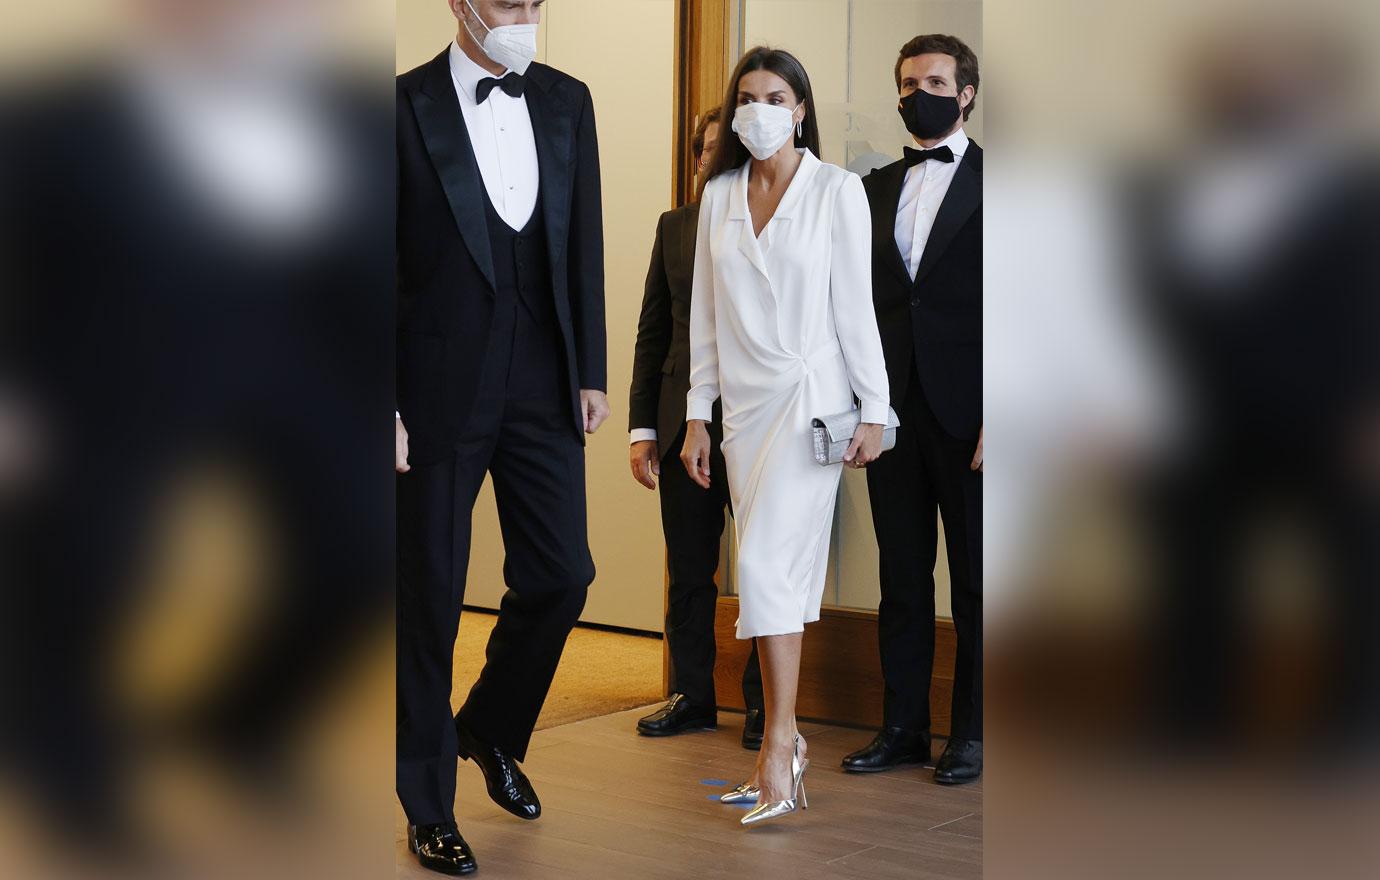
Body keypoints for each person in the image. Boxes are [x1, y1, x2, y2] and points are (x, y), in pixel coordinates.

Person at [394, 0, 609, 873]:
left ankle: (484, 726)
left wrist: (590, 371)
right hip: (436, 386)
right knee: (431, 598)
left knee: (564, 573)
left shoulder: (567, 100)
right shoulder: (399, 106)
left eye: (533, 1)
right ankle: (428, 803)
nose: (522, 13)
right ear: (459, 4)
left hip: (542, 380)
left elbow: (583, 236)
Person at [682, 46, 891, 826]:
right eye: (747, 96)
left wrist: (877, 409)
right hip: (743, 412)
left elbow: (855, 308)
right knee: (782, 575)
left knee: (767, 563)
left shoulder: (838, 191)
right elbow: (705, 317)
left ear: (800, 108)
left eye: (776, 95)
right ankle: (787, 745)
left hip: (813, 403)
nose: (760, 108)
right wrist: (697, 414)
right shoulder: (720, 197)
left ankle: (778, 742)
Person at [843, 34, 983, 785]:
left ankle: (974, 734)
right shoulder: (869, 188)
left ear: (965, 93)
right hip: (889, 409)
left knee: (979, 584)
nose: (916, 92)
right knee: (901, 577)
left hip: (976, 416)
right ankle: (901, 726)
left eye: (933, 80)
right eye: (906, 81)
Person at [628, 107, 765, 749]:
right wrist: (640, 430)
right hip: (682, 420)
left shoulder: (772, 217)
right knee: (689, 567)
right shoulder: (674, 225)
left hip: (761, 418)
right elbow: (653, 330)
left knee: (764, 564)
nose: (710, 158)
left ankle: (766, 705)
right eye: (702, 149)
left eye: (721, 148)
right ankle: (692, 695)